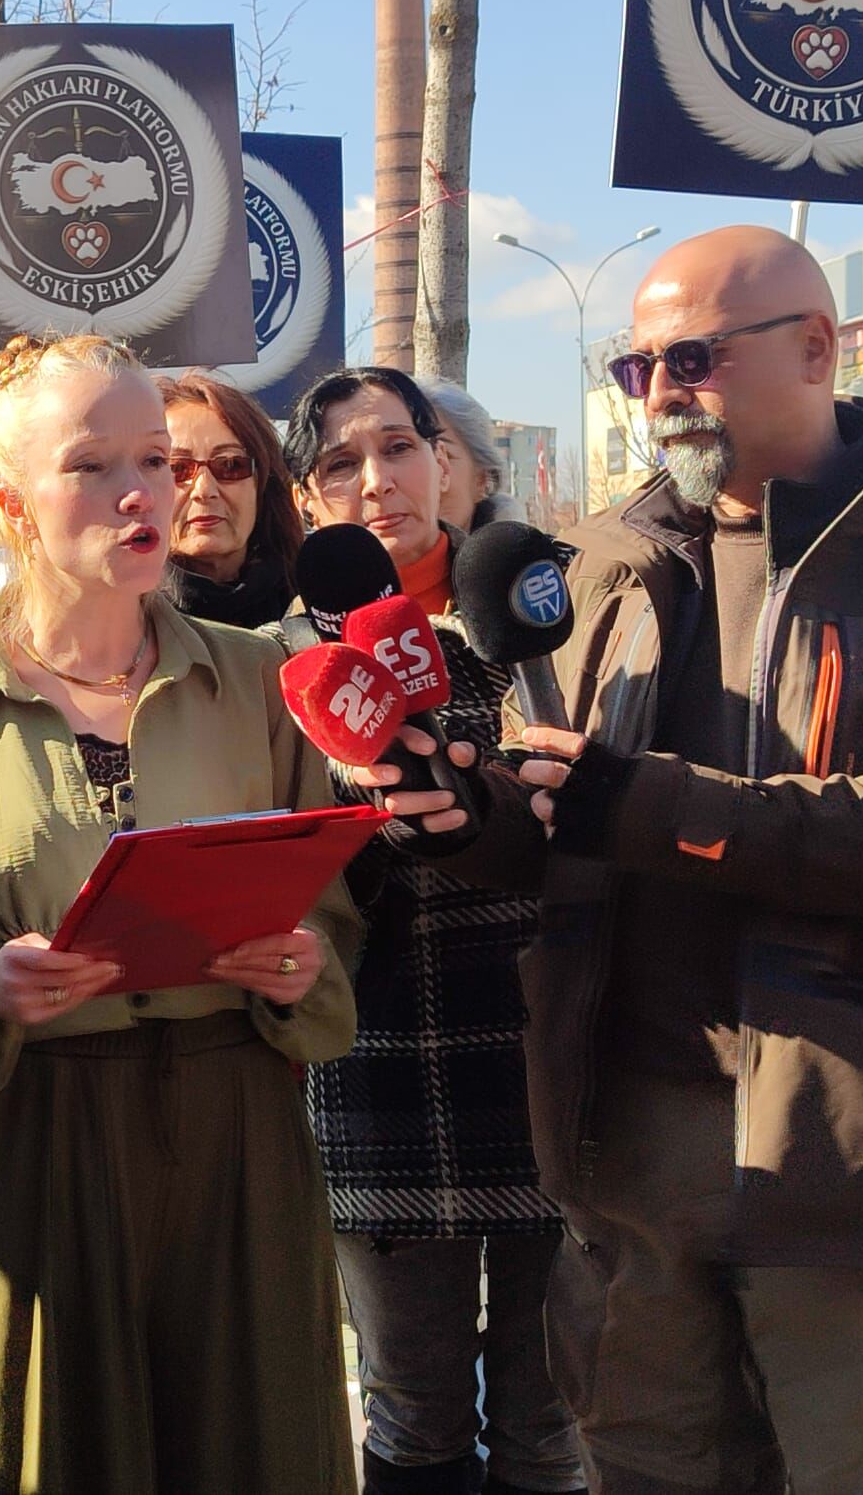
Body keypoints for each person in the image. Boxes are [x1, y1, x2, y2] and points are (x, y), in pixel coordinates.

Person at [377, 226, 863, 1493]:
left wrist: (659, 805)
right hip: (630, 1142)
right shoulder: (604, 565)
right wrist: (465, 815)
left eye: (690, 356)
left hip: (855, 1146)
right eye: (635, 368)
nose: (660, 391)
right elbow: (573, 822)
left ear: (814, 348)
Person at [0, 331, 363, 1495]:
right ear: (10, 500)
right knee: (41, 1457)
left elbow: (331, 906)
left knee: (256, 1455)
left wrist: (296, 961)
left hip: (238, 1141)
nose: (141, 493)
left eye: (155, 461)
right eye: (91, 466)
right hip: (28, 1140)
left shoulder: (261, 684)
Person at [285, 366, 583, 1495]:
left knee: (547, 1420)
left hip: (546, 1055)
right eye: (337, 463)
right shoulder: (284, 659)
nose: (375, 480)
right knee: (412, 1418)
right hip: (379, 1066)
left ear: (444, 459)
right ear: (307, 497)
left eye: (397, 447)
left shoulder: (534, 612)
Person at [155, 369, 303, 627]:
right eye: (177, 468)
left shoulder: (315, 609)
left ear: (263, 484)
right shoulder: (121, 627)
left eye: (231, 465)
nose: (204, 490)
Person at [411, 374, 525, 531]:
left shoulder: (540, 554)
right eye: (397, 451)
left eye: (437, 456)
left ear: (483, 479)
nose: (408, 479)